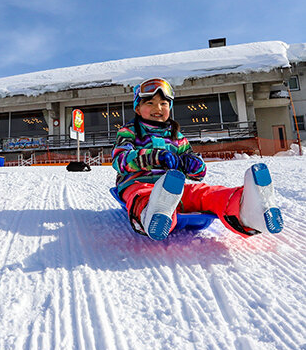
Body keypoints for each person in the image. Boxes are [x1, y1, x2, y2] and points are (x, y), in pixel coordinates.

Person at [112, 77, 284, 241]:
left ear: (169, 107)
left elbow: (199, 174)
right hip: (138, 183)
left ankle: (248, 209)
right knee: (142, 197)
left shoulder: (177, 137)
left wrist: (193, 164)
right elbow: (120, 159)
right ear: (137, 108)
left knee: (205, 193)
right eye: (150, 103)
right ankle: (152, 215)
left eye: (163, 103)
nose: (158, 107)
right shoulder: (129, 132)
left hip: (175, 188)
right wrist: (153, 157)